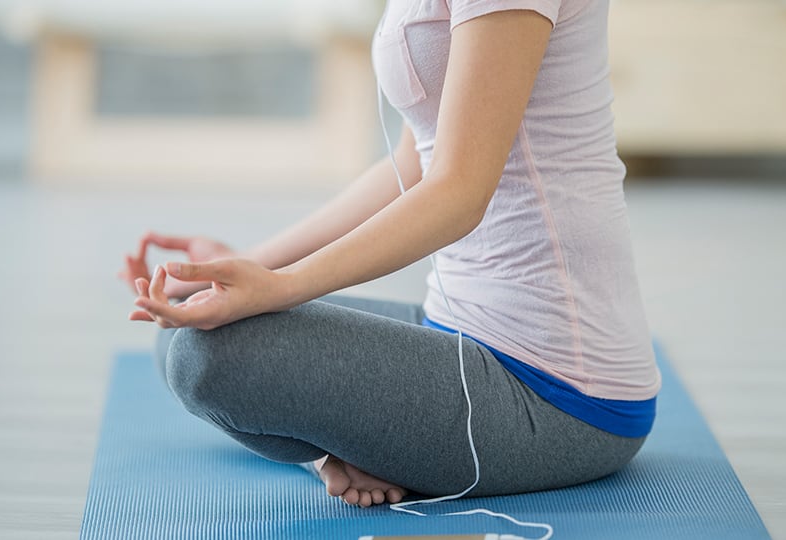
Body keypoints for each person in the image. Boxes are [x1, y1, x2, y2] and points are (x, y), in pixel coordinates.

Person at [120, 0, 661, 509]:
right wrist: (250, 266)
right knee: (181, 328)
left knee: (205, 358)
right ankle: (349, 453)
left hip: (560, 395)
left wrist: (282, 287)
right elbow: (414, 165)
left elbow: (457, 193)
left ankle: (346, 450)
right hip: (454, 331)